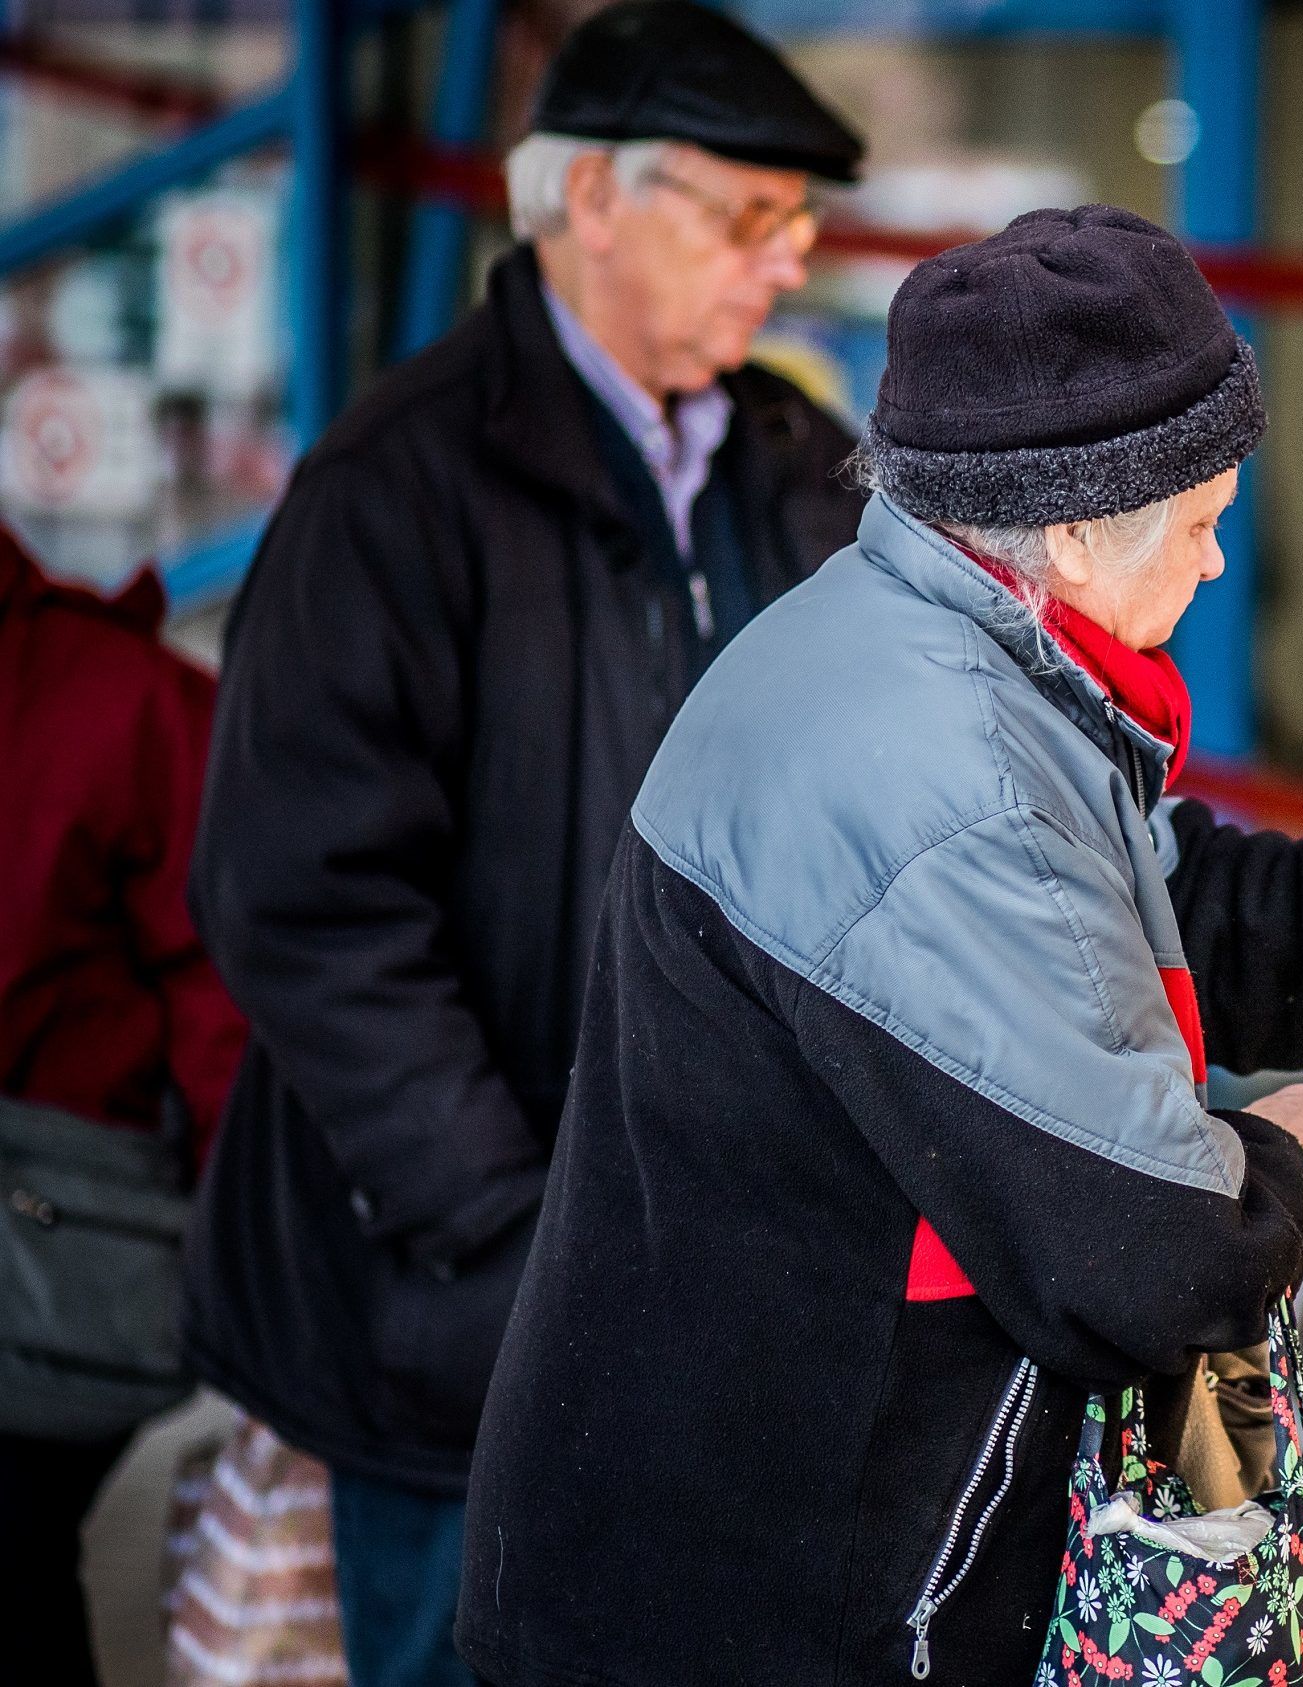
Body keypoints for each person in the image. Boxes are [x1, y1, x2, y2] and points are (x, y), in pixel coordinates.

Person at [456, 206, 1303, 1687]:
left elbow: (1144, 909)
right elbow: (1143, 1255)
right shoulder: (945, 776)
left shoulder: (936, 636)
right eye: (1206, 520)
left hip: (739, 1535)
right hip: (755, 1602)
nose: (1220, 566)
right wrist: (1289, 1169)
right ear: (1081, 529)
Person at [181, 6, 866, 1683]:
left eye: (801, 224)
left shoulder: (794, 474)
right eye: (743, 216)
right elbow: (305, 903)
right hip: (460, 1325)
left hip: (728, 1304)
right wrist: (512, 1239)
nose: (782, 266)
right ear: (585, 202)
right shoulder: (395, 486)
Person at [0, 541, 245, 1686]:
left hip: (58, 1260)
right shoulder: (132, 697)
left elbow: (223, 1004)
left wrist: (236, 1244)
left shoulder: (125, 702)